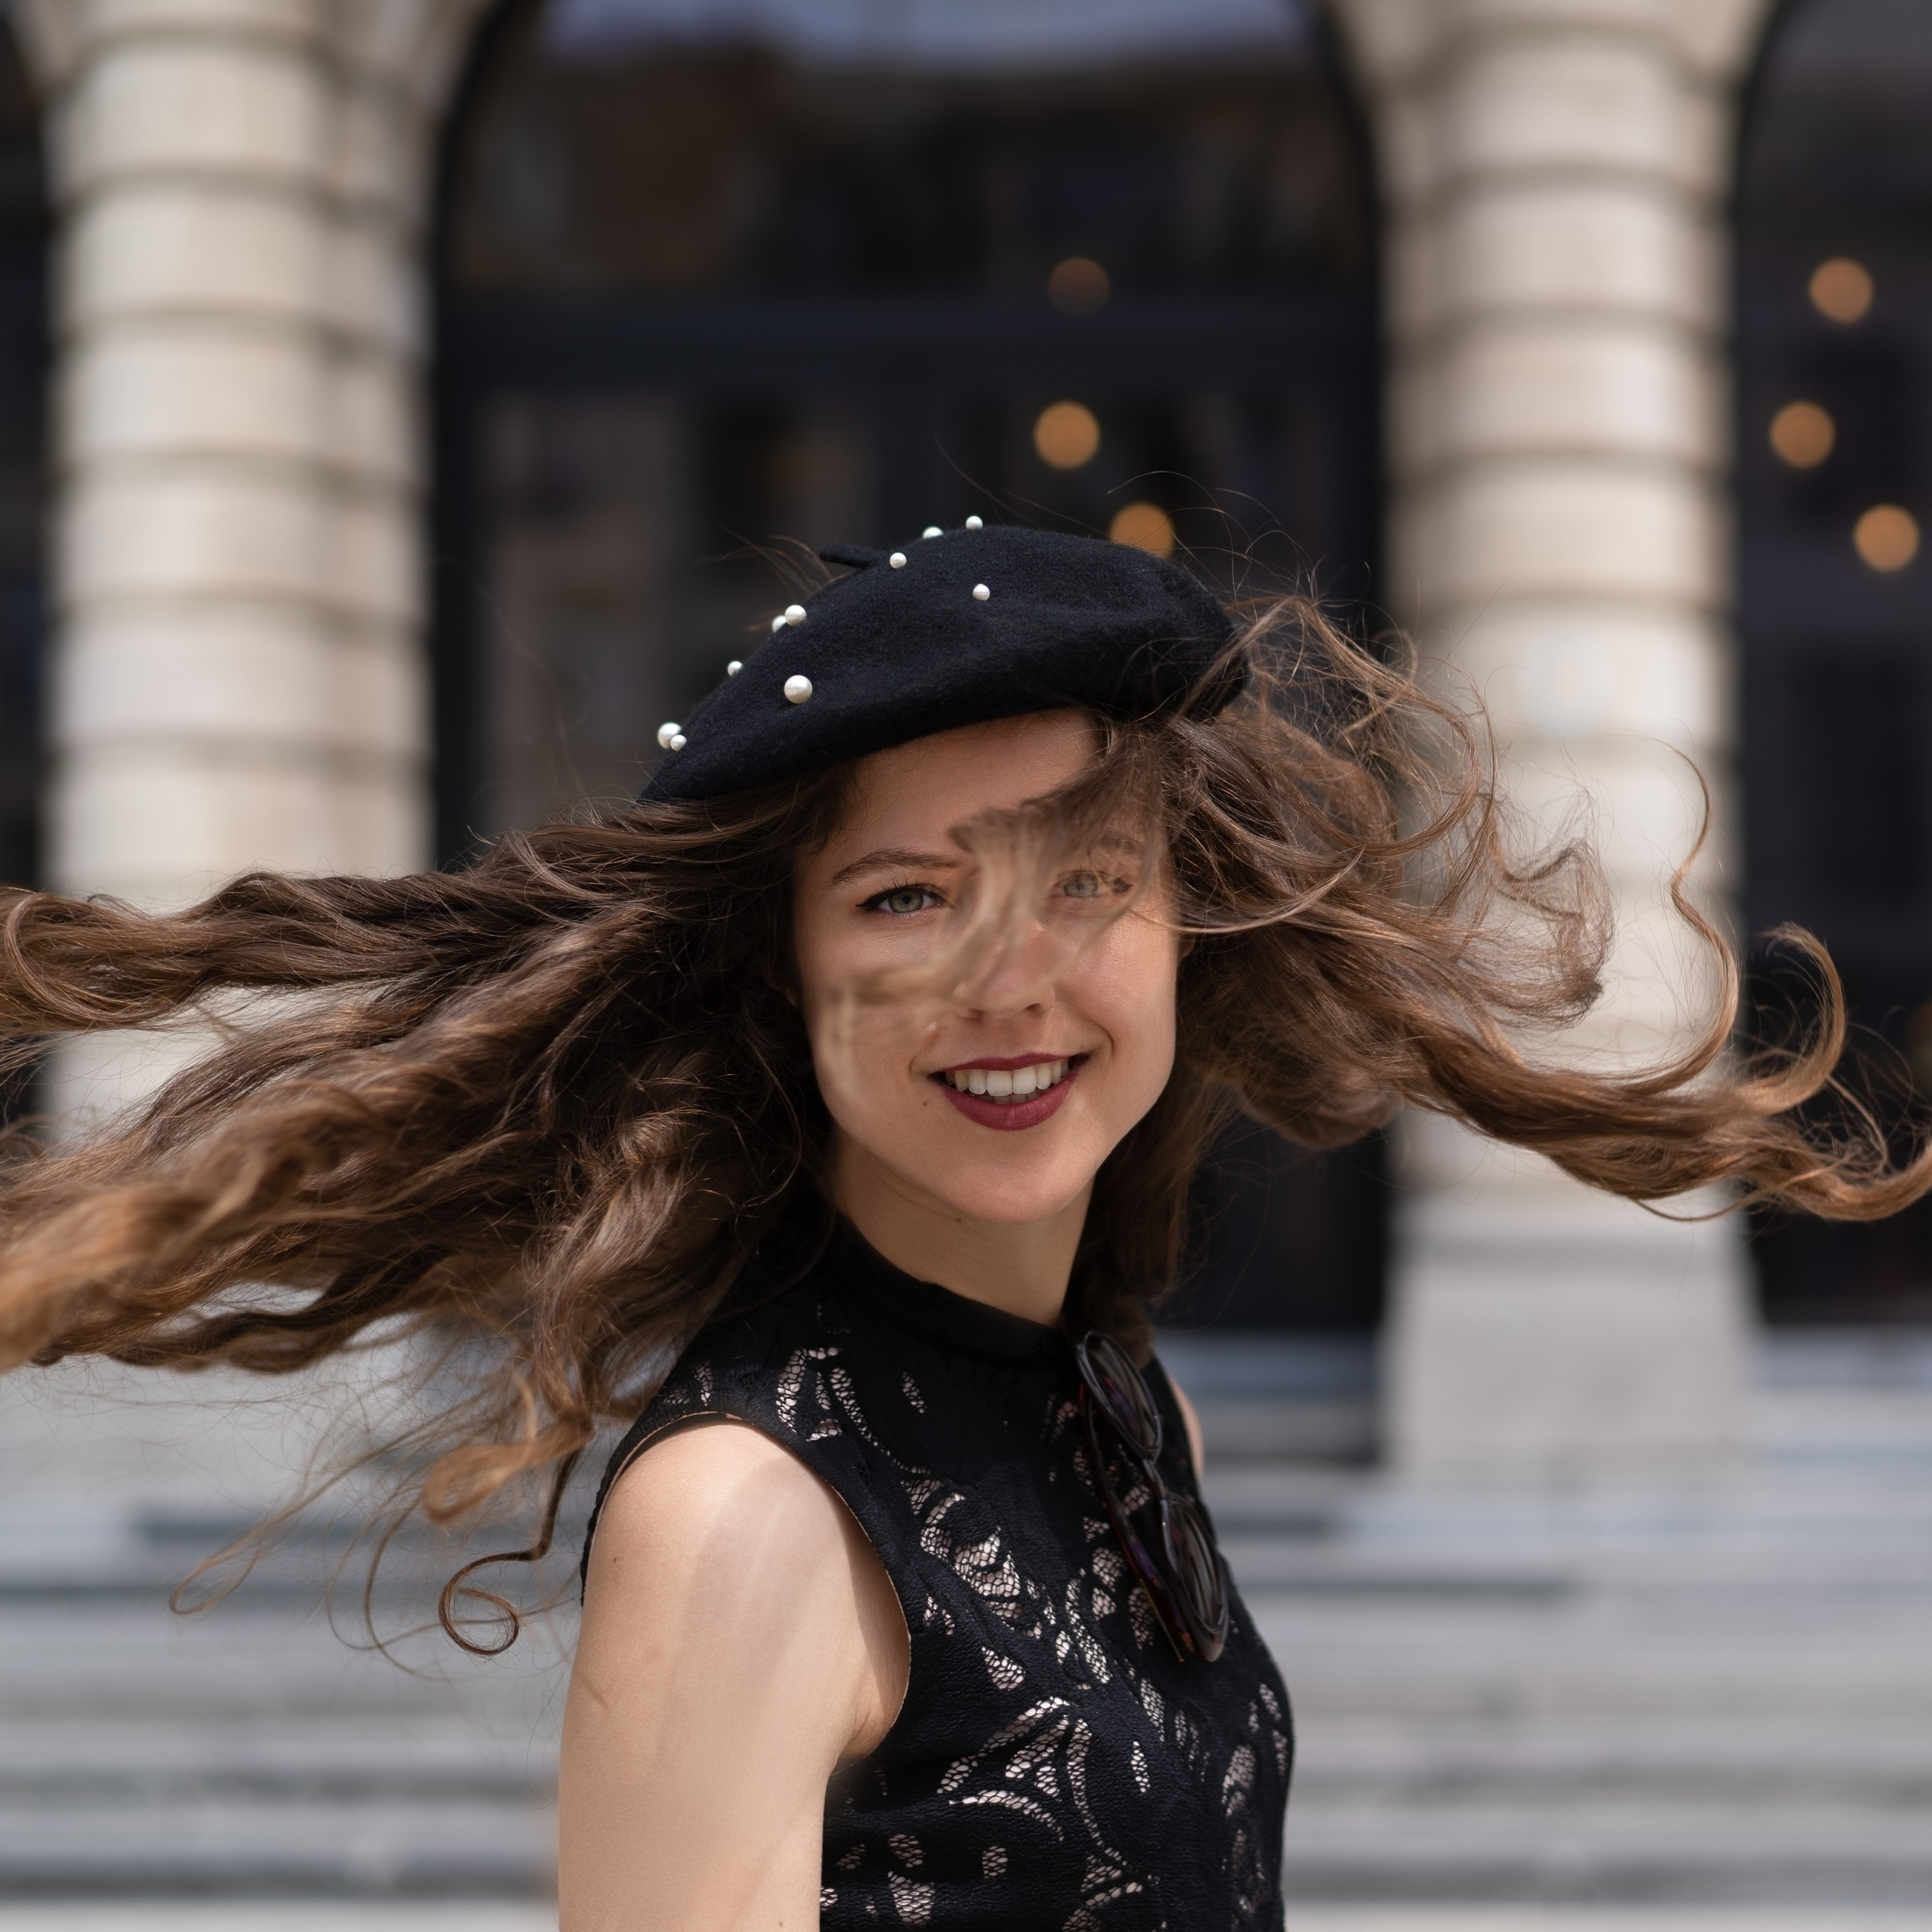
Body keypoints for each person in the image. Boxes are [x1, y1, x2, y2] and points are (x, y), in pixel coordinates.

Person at [0, 525, 1924, 1930]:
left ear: (1187, 924)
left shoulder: (1109, 1393)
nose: (1010, 981)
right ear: (786, 968)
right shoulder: (746, 1508)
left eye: (1085, 876)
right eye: (908, 898)